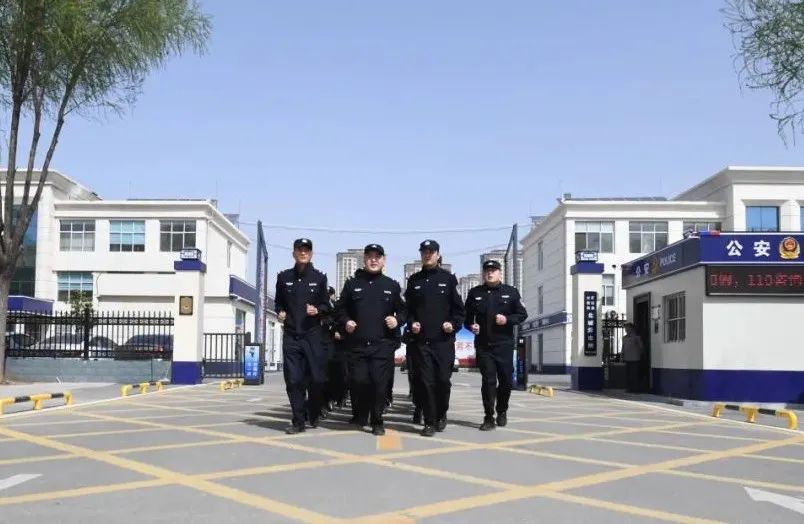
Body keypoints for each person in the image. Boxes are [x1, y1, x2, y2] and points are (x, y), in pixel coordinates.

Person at [336, 244, 406, 436]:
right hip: (357, 344)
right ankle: (360, 415)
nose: (373, 260)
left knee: (379, 383)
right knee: (358, 381)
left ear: (383, 260)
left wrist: (397, 320)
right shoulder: (352, 284)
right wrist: (346, 321)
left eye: (377, 257)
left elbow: (403, 311)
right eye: (370, 257)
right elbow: (340, 309)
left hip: (382, 344)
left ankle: (377, 420)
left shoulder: (391, 285)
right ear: (364, 260)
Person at [404, 240, 464, 437]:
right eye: (424, 252)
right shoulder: (414, 281)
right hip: (422, 342)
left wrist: (452, 324)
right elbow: (408, 310)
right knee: (426, 382)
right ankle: (429, 421)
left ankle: (441, 413)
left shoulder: (448, 279)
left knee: (443, 381)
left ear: (438, 255)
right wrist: (412, 323)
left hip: (443, 342)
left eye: (431, 252)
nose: (427, 255)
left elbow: (459, 311)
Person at [274, 238, 331, 434]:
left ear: (311, 254)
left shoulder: (319, 278)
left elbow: (326, 305)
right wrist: (280, 312)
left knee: (317, 379)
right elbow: (278, 303)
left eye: (306, 250)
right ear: (294, 253)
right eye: (299, 250)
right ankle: (298, 420)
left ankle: (313, 411)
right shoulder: (284, 277)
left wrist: (318, 310)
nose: (303, 253)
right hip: (291, 335)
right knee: (293, 380)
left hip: (312, 335)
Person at [464, 259, 528, 431]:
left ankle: (502, 410)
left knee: (506, 381)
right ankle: (488, 417)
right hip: (484, 346)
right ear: (483, 273)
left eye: (493, 270)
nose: (490, 273)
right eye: (487, 270)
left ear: (500, 273)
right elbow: (466, 318)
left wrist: (507, 319)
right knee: (488, 381)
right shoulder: (475, 293)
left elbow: (522, 315)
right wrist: (471, 326)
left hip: (504, 345)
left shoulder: (511, 292)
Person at [622, 322, 644, 393]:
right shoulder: (624, 338)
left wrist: (639, 354)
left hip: (635, 359)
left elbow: (641, 347)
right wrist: (622, 355)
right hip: (627, 358)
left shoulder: (636, 337)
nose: (626, 329)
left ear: (632, 328)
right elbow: (623, 347)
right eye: (625, 328)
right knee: (628, 374)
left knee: (635, 375)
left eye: (627, 328)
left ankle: (636, 389)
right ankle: (629, 388)